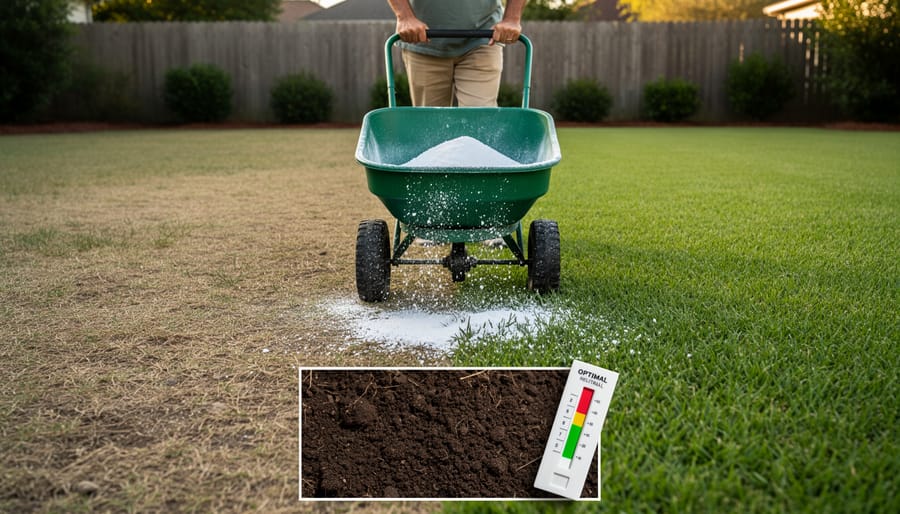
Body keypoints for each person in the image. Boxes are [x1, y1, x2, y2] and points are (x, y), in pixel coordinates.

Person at [387, 0, 527, 108]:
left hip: (482, 36)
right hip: (423, 40)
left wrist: (512, 18)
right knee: (431, 126)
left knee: (479, 123)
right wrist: (405, 17)